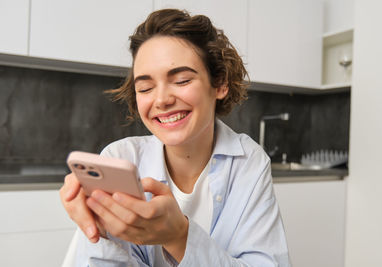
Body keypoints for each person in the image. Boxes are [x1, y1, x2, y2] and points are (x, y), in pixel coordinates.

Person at [60, 8, 291, 267]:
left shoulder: (249, 162)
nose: (162, 100)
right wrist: (100, 232)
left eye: (181, 80)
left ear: (220, 84)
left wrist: (179, 237)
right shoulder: (119, 158)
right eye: (145, 88)